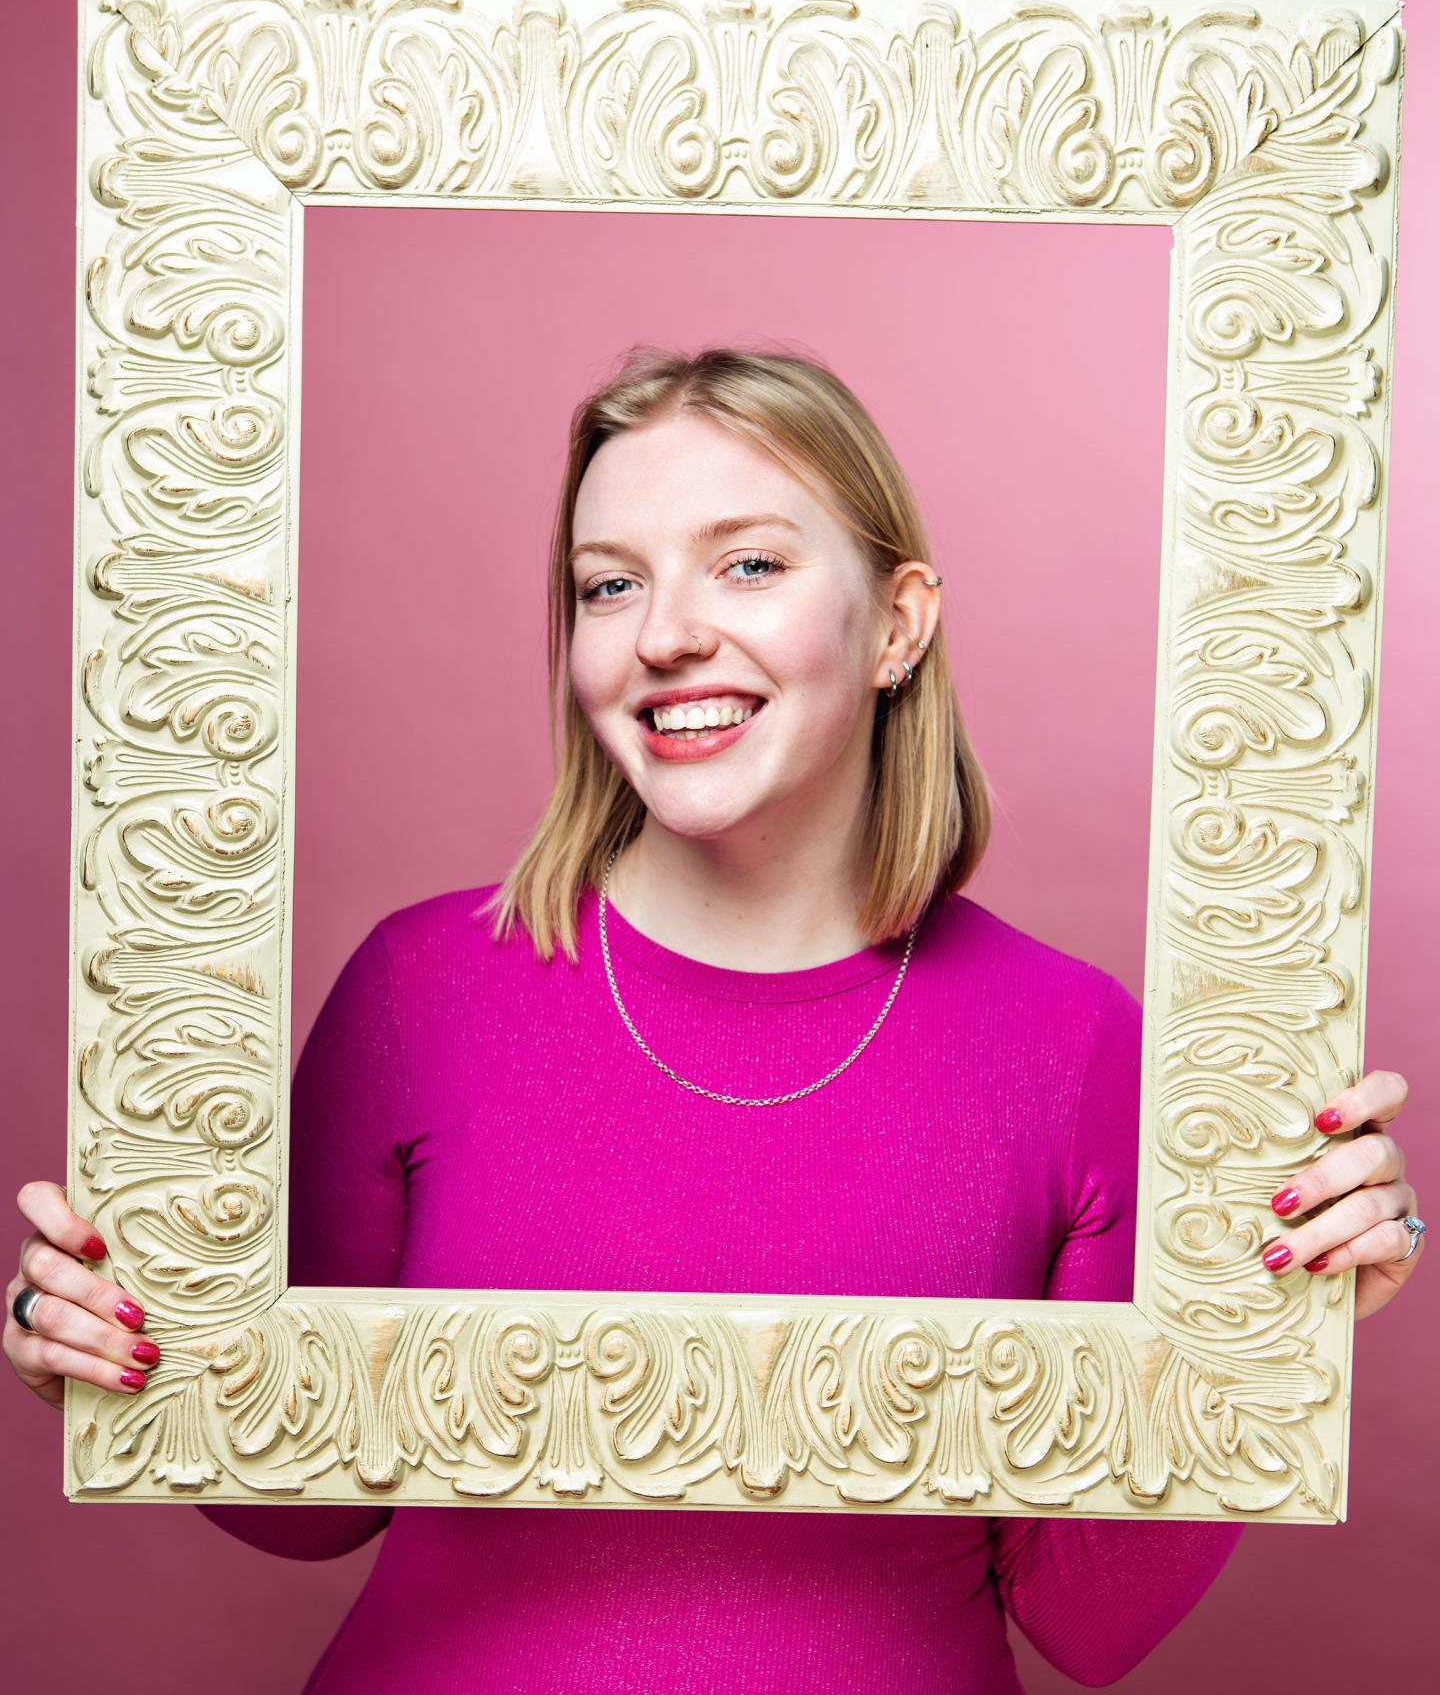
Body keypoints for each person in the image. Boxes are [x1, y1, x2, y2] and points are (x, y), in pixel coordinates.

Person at [7, 347, 1425, 1693]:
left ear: (899, 625)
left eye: (748, 562)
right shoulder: (418, 991)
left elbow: (1085, 1618)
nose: (669, 634)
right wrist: (115, 1345)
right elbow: (301, 1506)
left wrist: (1273, 1327)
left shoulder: (1079, 1049)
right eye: (608, 585)